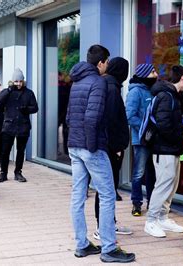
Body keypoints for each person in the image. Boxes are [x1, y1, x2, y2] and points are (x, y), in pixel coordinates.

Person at [67, 44, 135, 263]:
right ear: (101, 63)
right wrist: (93, 146)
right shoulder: (98, 82)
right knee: (107, 195)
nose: (108, 65)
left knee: (78, 195)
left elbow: (69, 116)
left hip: (74, 146)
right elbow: (92, 118)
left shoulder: (76, 81)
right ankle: (108, 248)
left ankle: (82, 244)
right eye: (107, 61)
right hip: (90, 147)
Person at [144, 65, 183, 238]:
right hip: (164, 149)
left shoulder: (171, 96)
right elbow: (163, 125)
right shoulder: (166, 96)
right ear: (182, 78)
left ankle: (162, 217)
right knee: (163, 184)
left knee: (171, 184)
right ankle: (151, 220)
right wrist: (176, 140)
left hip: (171, 148)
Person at [93, 57, 132, 241]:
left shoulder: (108, 85)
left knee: (108, 187)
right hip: (110, 148)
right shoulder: (111, 88)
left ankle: (109, 223)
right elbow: (109, 121)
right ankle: (102, 227)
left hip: (109, 146)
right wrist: (115, 147)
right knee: (107, 188)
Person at [0, 68, 38, 183]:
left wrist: (26, 109)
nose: (18, 84)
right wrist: (8, 90)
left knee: (21, 151)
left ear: (23, 81)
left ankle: (18, 172)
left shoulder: (29, 93)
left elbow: (35, 108)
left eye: (20, 81)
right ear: (12, 81)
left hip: (23, 126)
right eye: (16, 81)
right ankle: (3, 173)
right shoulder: (7, 92)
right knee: (5, 151)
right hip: (9, 125)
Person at [125, 63, 158, 216]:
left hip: (154, 140)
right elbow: (130, 116)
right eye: (152, 72)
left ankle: (152, 202)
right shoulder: (135, 92)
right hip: (141, 140)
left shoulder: (153, 90)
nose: (156, 74)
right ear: (145, 75)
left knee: (152, 172)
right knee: (139, 172)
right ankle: (136, 203)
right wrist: (146, 130)